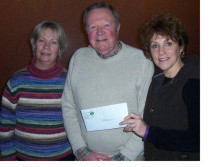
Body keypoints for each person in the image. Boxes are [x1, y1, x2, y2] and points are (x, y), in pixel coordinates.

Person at [62, 2, 154, 161]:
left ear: (118, 27)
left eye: (106, 25)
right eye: (92, 27)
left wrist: (123, 158)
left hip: (131, 159)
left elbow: (149, 116)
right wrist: (81, 151)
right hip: (87, 158)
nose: (99, 32)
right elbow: (68, 105)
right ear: (86, 31)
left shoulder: (141, 61)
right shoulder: (78, 58)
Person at [120, 13, 200, 160]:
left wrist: (148, 132)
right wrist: (138, 124)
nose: (161, 52)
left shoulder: (195, 82)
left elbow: (198, 140)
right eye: (155, 46)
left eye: (168, 43)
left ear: (181, 46)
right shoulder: (156, 78)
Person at [0, 20, 75, 160]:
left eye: (53, 42)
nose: (46, 46)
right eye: (42, 40)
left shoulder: (69, 81)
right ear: (34, 45)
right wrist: (8, 159)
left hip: (63, 157)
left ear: (60, 49)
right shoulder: (16, 81)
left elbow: (76, 123)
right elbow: (5, 125)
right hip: (23, 158)